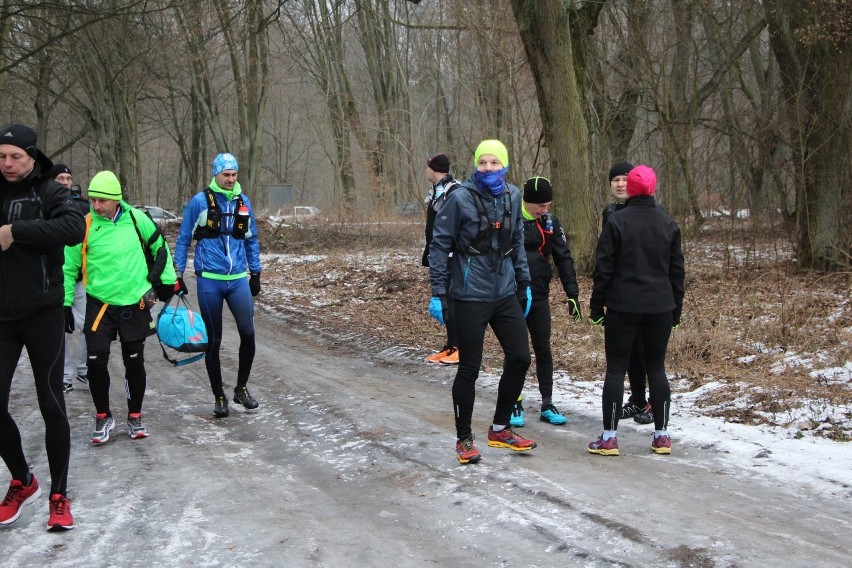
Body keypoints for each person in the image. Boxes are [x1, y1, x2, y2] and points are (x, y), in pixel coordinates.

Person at [428, 139, 536, 464]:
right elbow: (438, 246)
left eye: (493, 162)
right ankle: (464, 439)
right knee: (469, 369)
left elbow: (516, 239)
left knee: (520, 358)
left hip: (504, 292)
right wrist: (438, 292)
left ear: (504, 165)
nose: (487, 167)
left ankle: (501, 428)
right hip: (468, 294)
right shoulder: (458, 198)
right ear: (475, 165)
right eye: (482, 162)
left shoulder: (513, 195)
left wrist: (524, 282)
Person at [0, 124, 84, 530]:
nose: (7, 163)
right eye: (1, 156)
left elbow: (73, 229)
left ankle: (59, 495)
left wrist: (16, 232)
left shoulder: (50, 189)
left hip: (43, 314)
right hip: (2, 316)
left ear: (32, 156)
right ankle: (23, 480)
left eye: (15, 156)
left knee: (51, 404)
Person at [63, 171, 178, 445]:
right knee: (96, 362)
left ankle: (135, 416)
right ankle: (103, 416)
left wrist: (168, 282)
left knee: (135, 363)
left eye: (101, 200)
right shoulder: (85, 225)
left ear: (116, 200)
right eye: (92, 199)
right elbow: (68, 268)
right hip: (99, 304)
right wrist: (65, 303)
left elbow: (160, 247)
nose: (96, 205)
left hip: (134, 303)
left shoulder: (137, 220)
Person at [588, 165, 685, 456]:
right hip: (660, 307)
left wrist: (596, 306)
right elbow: (676, 272)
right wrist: (676, 311)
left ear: (629, 189)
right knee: (657, 368)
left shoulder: (617, 222)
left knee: (616, 368)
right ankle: (662, 436)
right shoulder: (668, 224)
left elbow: (603, 268)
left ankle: (609, 438)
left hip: (623, 305)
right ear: (653, 189)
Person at [174, 152, 262, 418]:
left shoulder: (243, 202)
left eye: (234, 174)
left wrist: (255, 272)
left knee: (248, 333)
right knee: (214, 340)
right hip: (209, 279)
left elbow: (251, 239)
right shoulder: (199, 202)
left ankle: (241, 388)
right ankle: (219, 396)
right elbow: (182, 238)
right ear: (216, 174)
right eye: (226, 175)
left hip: (237, 279)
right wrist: (178, 274)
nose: (231, 179)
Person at [509, 176, 581, 428]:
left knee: (543, 348)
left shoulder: (551, 223)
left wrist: (572, 294)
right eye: (540, 206)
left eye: (548, 205)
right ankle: (513, 401)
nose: (544, 210)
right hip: (512, 296)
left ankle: (547, 403)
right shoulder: (511, 217)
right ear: (527, 202)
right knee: (517, 352)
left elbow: (564, 258)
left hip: (538, 295)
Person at [603, 161, 654, 425]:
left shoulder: (652, 211)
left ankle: (652, 403)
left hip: (646, 292)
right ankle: (637, 399)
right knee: (629, 351)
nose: (621, 184)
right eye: (616, 180)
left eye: (625, 179)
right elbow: (606, 257)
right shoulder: (610, 212)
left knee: (647, 351)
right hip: (620, 294)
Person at [49, 164, 90, 394]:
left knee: (87, 326)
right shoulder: (46, 206)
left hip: (82, 278)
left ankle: (84, 370)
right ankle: (64, 376)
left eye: (68, 178)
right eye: (60, 178)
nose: (64, 182)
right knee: (61, 331)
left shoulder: (85, 207)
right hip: (56, 277)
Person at [421, 153, 462, 365]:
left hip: (452, 257)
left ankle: (458, 347)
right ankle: (451, 345)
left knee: (452, 301)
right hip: (438, 254)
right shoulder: (437, 191)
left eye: (428, 167)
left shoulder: (454, 191)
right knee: (445, 299)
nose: (426, 170)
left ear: (435, 169)